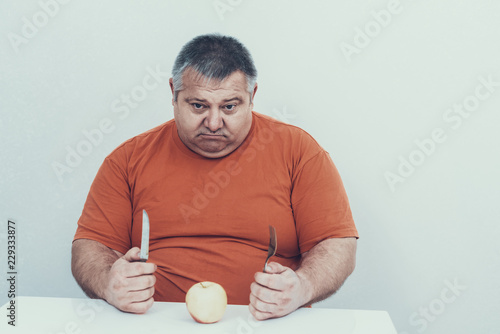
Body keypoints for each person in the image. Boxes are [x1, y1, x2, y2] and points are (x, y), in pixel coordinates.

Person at [71, 34, 358, 320]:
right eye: (198, 106)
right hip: (155, 323)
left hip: (266, 323)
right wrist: (108, 282)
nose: (213, 123)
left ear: (252, 97)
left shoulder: (298, 151)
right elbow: (91, 246)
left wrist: (303, 287)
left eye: (229, 107)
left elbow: (336, 242)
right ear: (173, 94)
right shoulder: (128, 159)